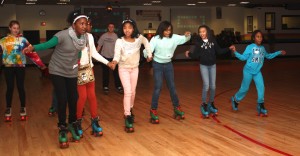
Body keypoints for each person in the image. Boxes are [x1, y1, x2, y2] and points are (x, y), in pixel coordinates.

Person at [23, 11, 89, 148]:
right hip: (57, 70)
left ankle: (72, 123)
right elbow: (47, 44)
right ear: (73, 24)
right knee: (62, 97)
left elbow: (79, 50)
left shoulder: (84, 38)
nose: (84, 26)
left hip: (71, 71)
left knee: (73, 97)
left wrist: (77, 60)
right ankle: (62, 127)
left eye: (86, 24)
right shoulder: (62, 35)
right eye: (81, 23)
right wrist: (33, 47)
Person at [230, 30, 286, 116]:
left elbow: (268, 56)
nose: (259, 38)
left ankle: (260, 105)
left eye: (261, 37)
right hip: (248, 71)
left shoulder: (262, 49)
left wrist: (278, 52)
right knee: (244, 89)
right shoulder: (250, 47)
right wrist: (235, 52)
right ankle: (235, 100)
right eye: (257, 36)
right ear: (254, 38)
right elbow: (243, 58)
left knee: (261, 87)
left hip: (257, 72)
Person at [0, 20, 48, 122]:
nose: (16, 30)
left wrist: (41, 65)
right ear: (9, 28)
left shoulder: (23, 40)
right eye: (14, 28)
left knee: (21, 87)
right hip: (8, 67)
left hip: (20, 67)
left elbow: (32, 53)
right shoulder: (3, 41)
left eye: (17, 28)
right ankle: (8, 109)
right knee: (9, 88)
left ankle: (23, 108)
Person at [143, 21, 190, 124]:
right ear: (161, 29)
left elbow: (184, 38)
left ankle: (177, 107)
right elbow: (147, 50)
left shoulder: (174, 38)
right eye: (166, 30)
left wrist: (188, 35)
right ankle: (153, 110)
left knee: (172, 87)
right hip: (157, 65)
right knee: (158, 87)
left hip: (168, 65)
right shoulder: (156, 39)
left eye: (169, 30)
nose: (168, 32)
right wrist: (147, 55)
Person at [111, 18, 152, 133]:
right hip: (123, 68)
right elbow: (117, 55)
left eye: (129, 27)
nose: (127, 30)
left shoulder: (139, 38)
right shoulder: (119, 41)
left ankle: (130, 109)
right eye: (125, 28)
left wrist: (149, 54)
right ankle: (127, 115)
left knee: (133, 92)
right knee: (128, 91)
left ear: (133, 28)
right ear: (122, 29)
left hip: (135, 68)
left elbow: (146, 43)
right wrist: (114, 62)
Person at [185, 25, 234, 118]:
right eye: (200, 32)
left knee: (213, 86)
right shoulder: (199, 43)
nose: (201, 33)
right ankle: (204, 104)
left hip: (212, 66)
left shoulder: (212, 41)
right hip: (203, 66)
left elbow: (219, 51)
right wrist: (189, 54)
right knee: (206, 85)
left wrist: (229, 48)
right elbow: (195, 55)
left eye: (203, 31)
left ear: (207, 32)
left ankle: (211, 103)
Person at [76, 18, 113, 137]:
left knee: (92, 96)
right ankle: (77, 122)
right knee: (82, 97)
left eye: (88, 24)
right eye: (85, 24)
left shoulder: (90, 37)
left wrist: (107, 63)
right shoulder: (73, 37)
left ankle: (94, 121)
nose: (87, 26)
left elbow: (94, 53)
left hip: (89, 69)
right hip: (77, 71)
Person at [97, 23, 123, 94]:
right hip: (105, 57)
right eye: (110, 27)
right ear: (108, 28)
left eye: (112, 27)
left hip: (114, 58)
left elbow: (120, 47)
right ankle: (105, 87)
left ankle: (118, 86)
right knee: (105, 73)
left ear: (114, 28)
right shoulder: (104, 36)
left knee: (116, 73)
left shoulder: (116, 36)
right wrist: (95, 54)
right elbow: (99, 46)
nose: (111, 28)